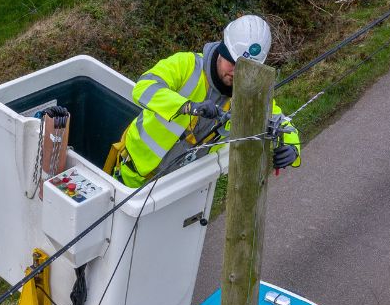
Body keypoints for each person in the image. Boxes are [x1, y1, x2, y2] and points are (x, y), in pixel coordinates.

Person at [113, 14, 303, 188]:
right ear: (222, 50)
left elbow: (282, 122)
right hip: (134, 175)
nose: (236, 73)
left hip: (180, 188)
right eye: (232, 63)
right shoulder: (186, 65)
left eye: (246, 69)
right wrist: (188, 107)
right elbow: (143, 87)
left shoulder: (250, 96)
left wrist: (292, 148)